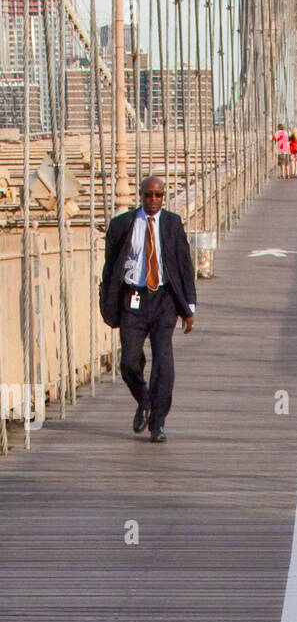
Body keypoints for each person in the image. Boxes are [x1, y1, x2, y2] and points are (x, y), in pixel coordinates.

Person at [99, 174, 196, 444]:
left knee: (164, 363)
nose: (153, 200)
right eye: (148, 195)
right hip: (134, 299)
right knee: (129, 361)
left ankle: (158, 424)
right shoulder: (122, 225)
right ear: (140, 196)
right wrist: (107, 298)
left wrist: (188, 307)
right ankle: (144, 400)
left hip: (164, 300)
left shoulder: (173, 224)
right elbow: (110, 266)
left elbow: (184, 265)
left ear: (163, 197)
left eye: (158, 195)